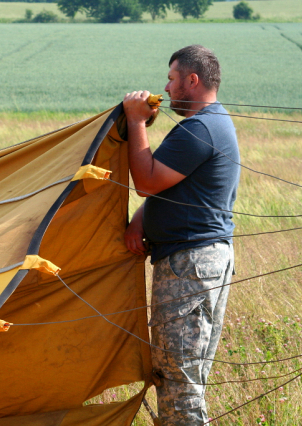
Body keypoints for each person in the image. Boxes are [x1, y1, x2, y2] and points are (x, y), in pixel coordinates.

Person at [122, 45, 240, 425]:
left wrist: (136, 122)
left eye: (172, 78)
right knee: (183, 375)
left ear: (193, 79)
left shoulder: (200, 128)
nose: (167, 87)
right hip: (200, 260)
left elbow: (146, 181)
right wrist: (143, 218)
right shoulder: (212, 123)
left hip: (190, 265)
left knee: (178, 377)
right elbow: (175, 189)